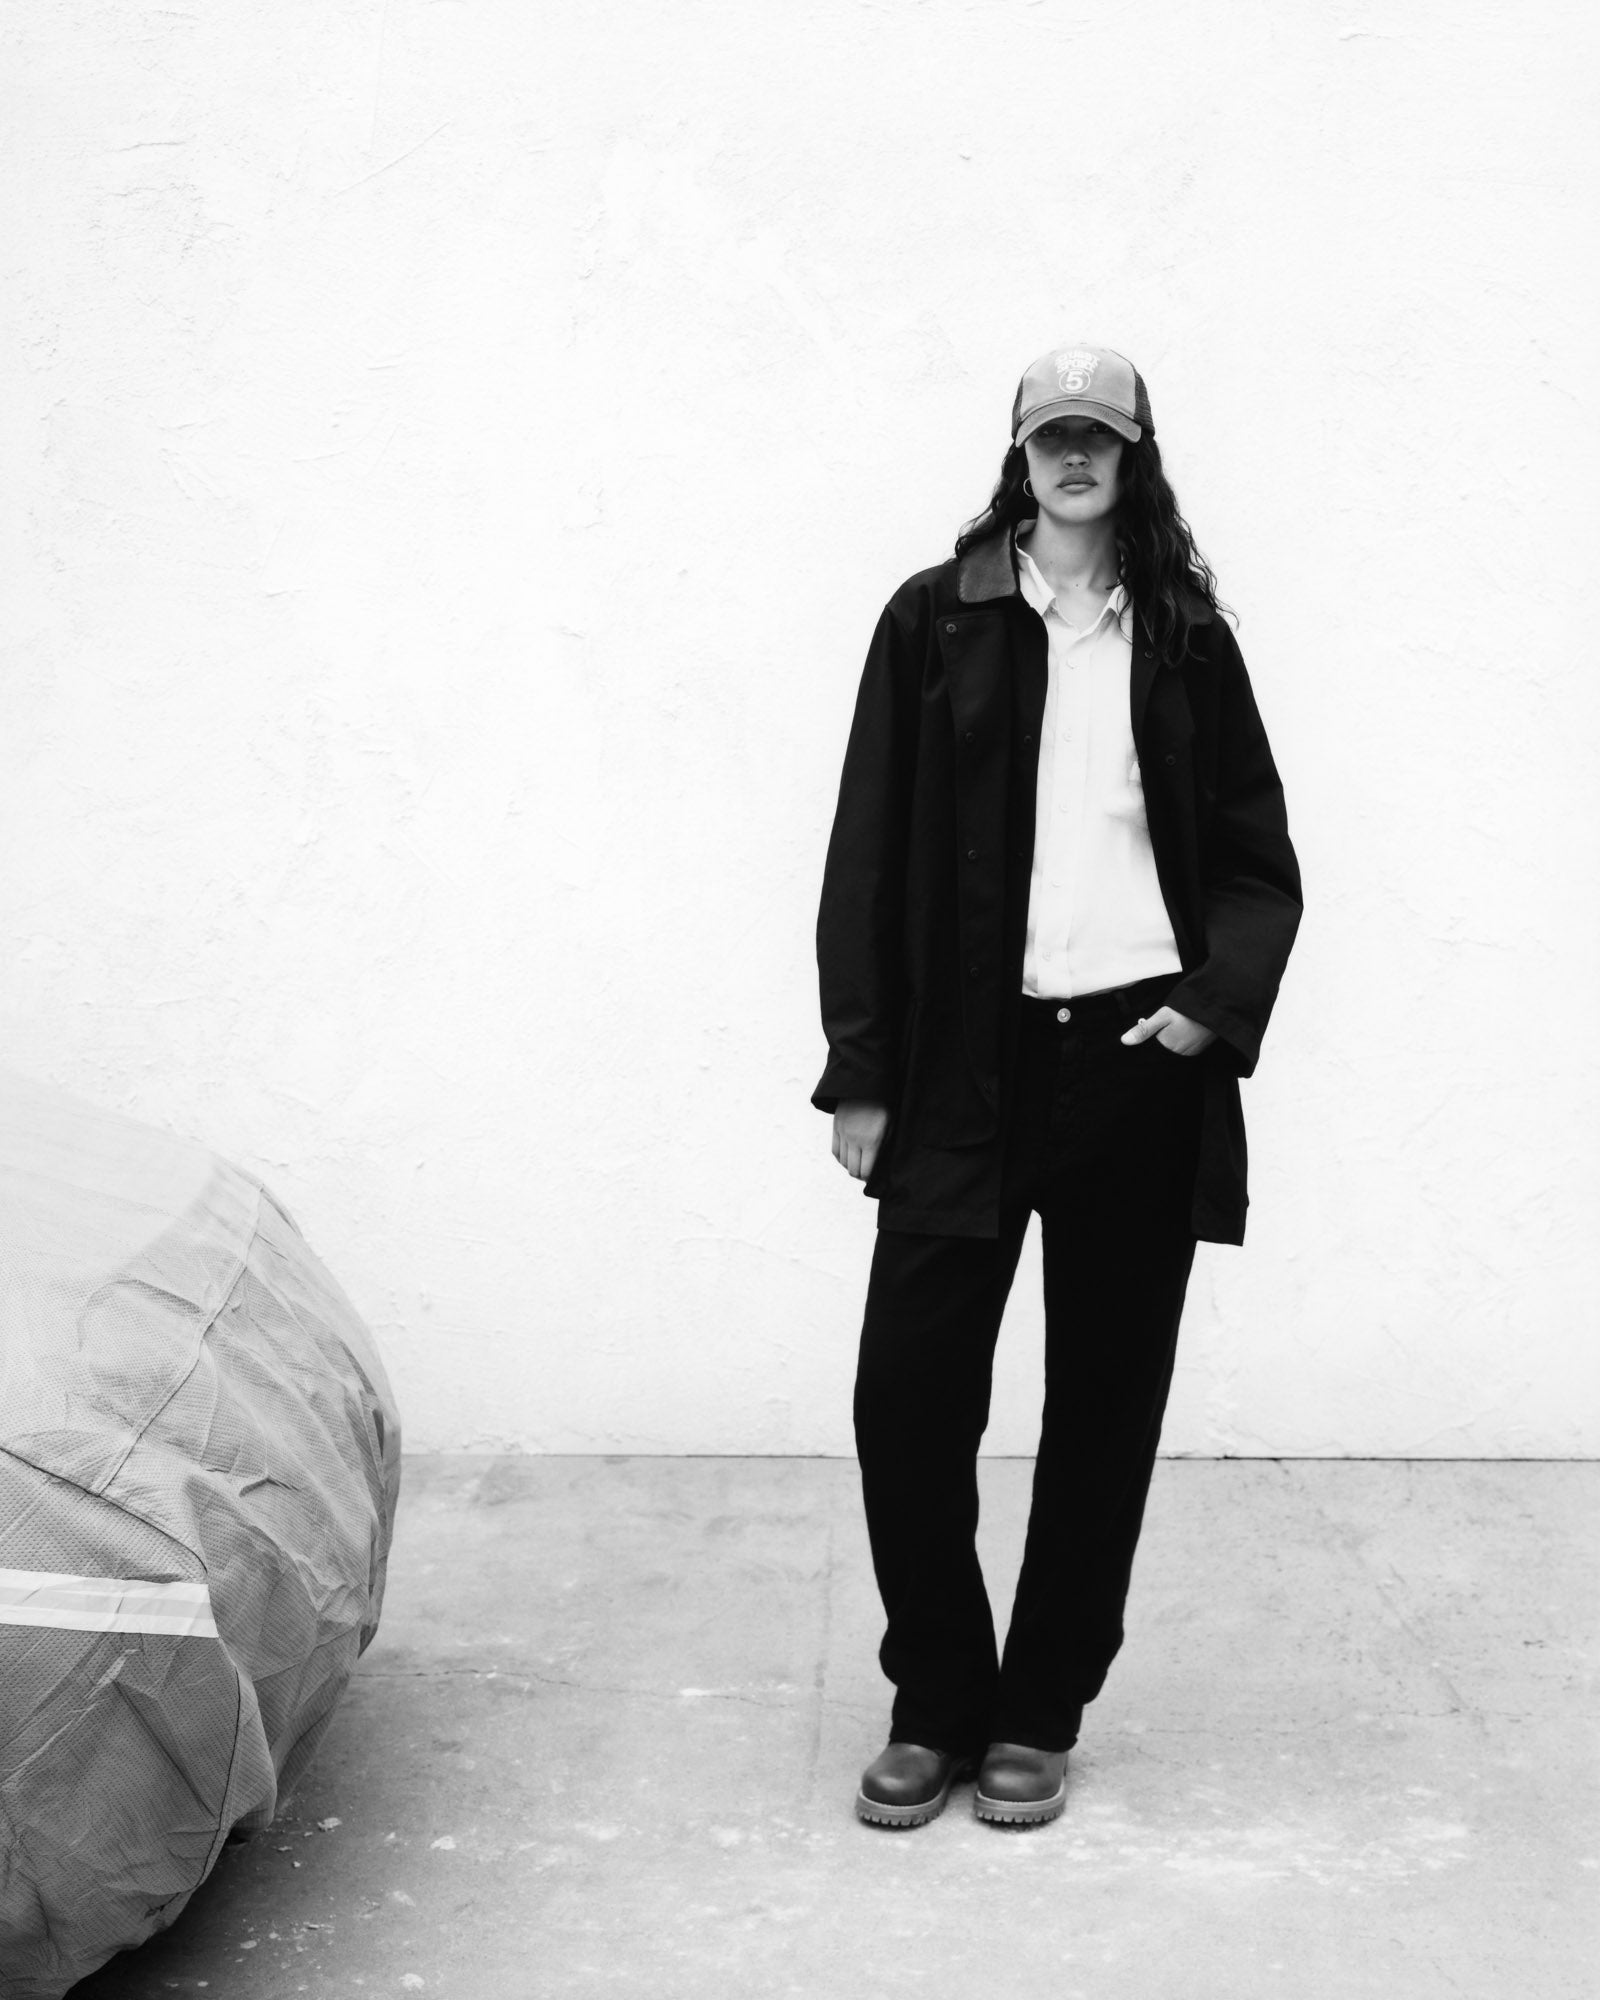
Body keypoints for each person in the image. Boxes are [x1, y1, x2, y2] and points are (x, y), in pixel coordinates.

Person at [813, 343, 1301, 1829]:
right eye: (1051, 438)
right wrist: (863, 1074)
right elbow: (866, 857)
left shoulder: (1189, 641)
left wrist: (1207, 1011)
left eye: (1099, 437)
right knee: (908, 1399)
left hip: (1137, 1068)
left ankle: (1038, 1712)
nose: (1074, 458)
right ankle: (936, 1698)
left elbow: (1256, 862)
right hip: (966, 1068)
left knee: (1103, 1407)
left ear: (1134, 456)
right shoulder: (934, 619)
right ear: (1019, 456)